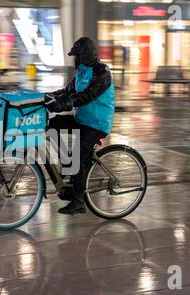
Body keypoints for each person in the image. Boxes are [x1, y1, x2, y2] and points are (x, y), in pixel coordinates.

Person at [45, 37, 115, 215]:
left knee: (77, 157)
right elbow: (67, 92)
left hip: (96, 124)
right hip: (82, 119)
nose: (75, 59)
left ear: (86, 55)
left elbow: (87, 96)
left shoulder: (102, 72)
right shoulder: (81, 73)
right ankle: (68, 164)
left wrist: (63, 104)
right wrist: (45, 97)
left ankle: (78, 201)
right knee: (52, 125)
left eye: (77, 55)